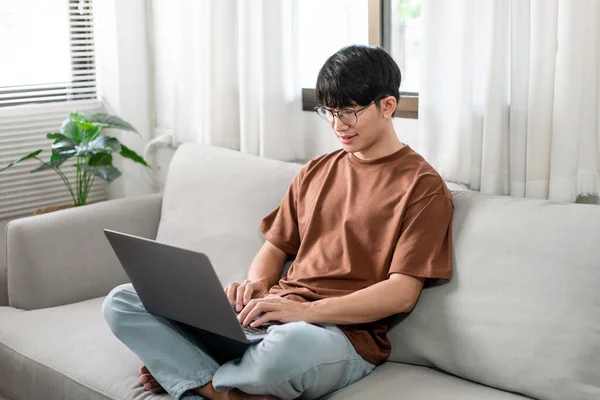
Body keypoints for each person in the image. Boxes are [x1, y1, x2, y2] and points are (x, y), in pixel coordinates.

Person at [102, 44, 454, 400]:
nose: (337, 126)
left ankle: (200, 381)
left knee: (290, 348)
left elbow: (401, 294)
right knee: (123, 300)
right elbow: (275, 246)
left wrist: (304, 312)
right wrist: (255, 284)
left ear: (388, 106)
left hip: (336, 335)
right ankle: (219, 378)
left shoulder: (422, 187)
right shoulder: (317, 170)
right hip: (270, 320)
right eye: (328, 112)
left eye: (349, 113)